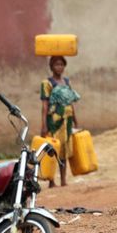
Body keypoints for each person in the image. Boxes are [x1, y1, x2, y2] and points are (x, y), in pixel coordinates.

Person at [40, 56, 81, 188]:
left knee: (65, 150)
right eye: (57, 65)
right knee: (53, 150)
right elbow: (45, 105)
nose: (59, 67)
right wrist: (44, 125)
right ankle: (51, 180)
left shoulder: (67, 82)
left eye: (62, 65)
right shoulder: (47, 83)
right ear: (51, 67)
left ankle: (63, 179)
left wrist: (75, 120)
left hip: (67, 120)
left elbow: (70, 101)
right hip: (54, 121)